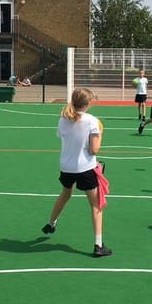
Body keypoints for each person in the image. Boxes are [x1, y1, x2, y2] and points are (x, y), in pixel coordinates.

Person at [41, 87, 112, 257]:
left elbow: (64, 136)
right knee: (96, 205)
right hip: (85, 168)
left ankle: (50, 223)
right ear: (88, 103)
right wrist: (100, 133)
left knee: (65, 194)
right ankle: (98, 244)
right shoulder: (92, 121)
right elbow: (94, 150)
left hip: (66, 167)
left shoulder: (63, 118)